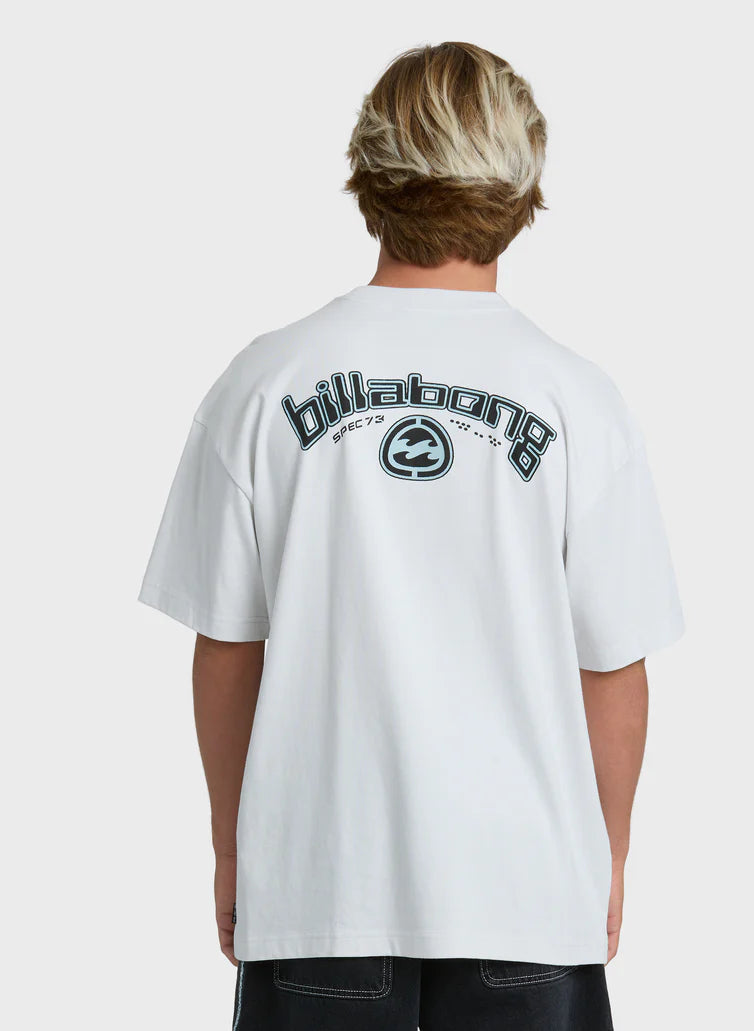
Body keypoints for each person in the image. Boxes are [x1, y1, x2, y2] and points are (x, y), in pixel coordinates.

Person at [139, 41, 683, 1031]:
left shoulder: (264, 383)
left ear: (370, 169)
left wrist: (233, 847)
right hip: (526, 893)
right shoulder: (578, 401)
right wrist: (605, 855)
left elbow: (227, 649)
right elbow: (613, 669)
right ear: (522, 180)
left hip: (319, 891)